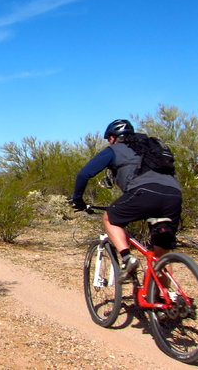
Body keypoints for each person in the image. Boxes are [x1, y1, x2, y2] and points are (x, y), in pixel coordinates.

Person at [71, 119, 182, 281]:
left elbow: (84, 174)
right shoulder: (153, 149)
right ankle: (166, 301)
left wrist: (78, 200)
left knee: (109, 218)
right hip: (173, 195)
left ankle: (127, 258)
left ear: (114, 137)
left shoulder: (115, 150)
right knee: (160, 255)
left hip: (144, 192)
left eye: (109, 138)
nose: (109, 142)